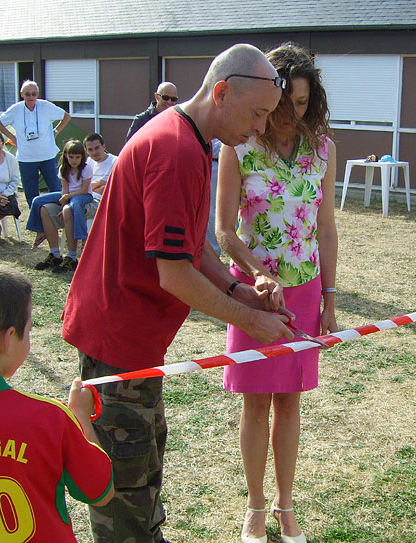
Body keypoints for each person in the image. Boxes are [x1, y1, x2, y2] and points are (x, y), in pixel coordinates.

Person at [61, 43, 295, 543]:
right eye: (257, 114)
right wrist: (249, 321)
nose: (258, 128)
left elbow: (192, 246)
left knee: (144, 469)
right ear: (222, 92)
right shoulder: (175, 150)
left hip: (133, 339)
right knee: (122, 489)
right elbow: (173, 274)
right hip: (116, 338)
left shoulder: (191, 141)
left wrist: (239, 290)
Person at [216, 42, 338, 543]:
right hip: (253, 295)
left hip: (306, 293)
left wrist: (330, 298)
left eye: (305, 103)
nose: (293, 113)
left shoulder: (325, 149)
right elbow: (224, 230)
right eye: (286, 102)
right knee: (254, 400)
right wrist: (254, 272)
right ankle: (256, 506)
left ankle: (286, 506)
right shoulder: (237, 145)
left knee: (290, 400)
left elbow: (326, 229)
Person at [0, 261, 114, 542]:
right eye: (28, 330)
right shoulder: (50, 417)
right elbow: (100, 491)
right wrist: (80, 417)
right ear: (7, 340)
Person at [0, 80, 71, 207]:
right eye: (28, 94)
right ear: (22, 94)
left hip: (47, 155)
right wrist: (12, 137)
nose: (31, 97)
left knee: (57, 189)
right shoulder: (15, 109)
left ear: (38, 94)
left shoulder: (45, 106)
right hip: (26, 157)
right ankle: (36, 221)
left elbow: (66, 116)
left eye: (34, 94)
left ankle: (60, 216)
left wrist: (56, 131)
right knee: (31, 193)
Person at [27, 139, 94, 273]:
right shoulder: (63, 169)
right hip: (68, 195)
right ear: (65, 156)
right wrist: (64, 200)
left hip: (83, 196)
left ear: (82, 157)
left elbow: (84, 190)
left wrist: (66, 201)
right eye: (71, 157)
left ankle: (81, 239)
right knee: (38, 201)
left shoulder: (86, 168)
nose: (74, 160)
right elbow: (64, 191)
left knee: (73, 206)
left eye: (77, 157)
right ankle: (44, 237)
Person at [84, 132, 117, 200]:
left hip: (105, 202)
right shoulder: (87, 162)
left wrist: (90, 188)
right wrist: (100, 183)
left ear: (104, 146)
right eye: (90, 149)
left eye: (97, 148)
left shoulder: (116, 161)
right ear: (86, 151)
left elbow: (112, 189)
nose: (94, 152)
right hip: (86, 199)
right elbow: (80, 187)